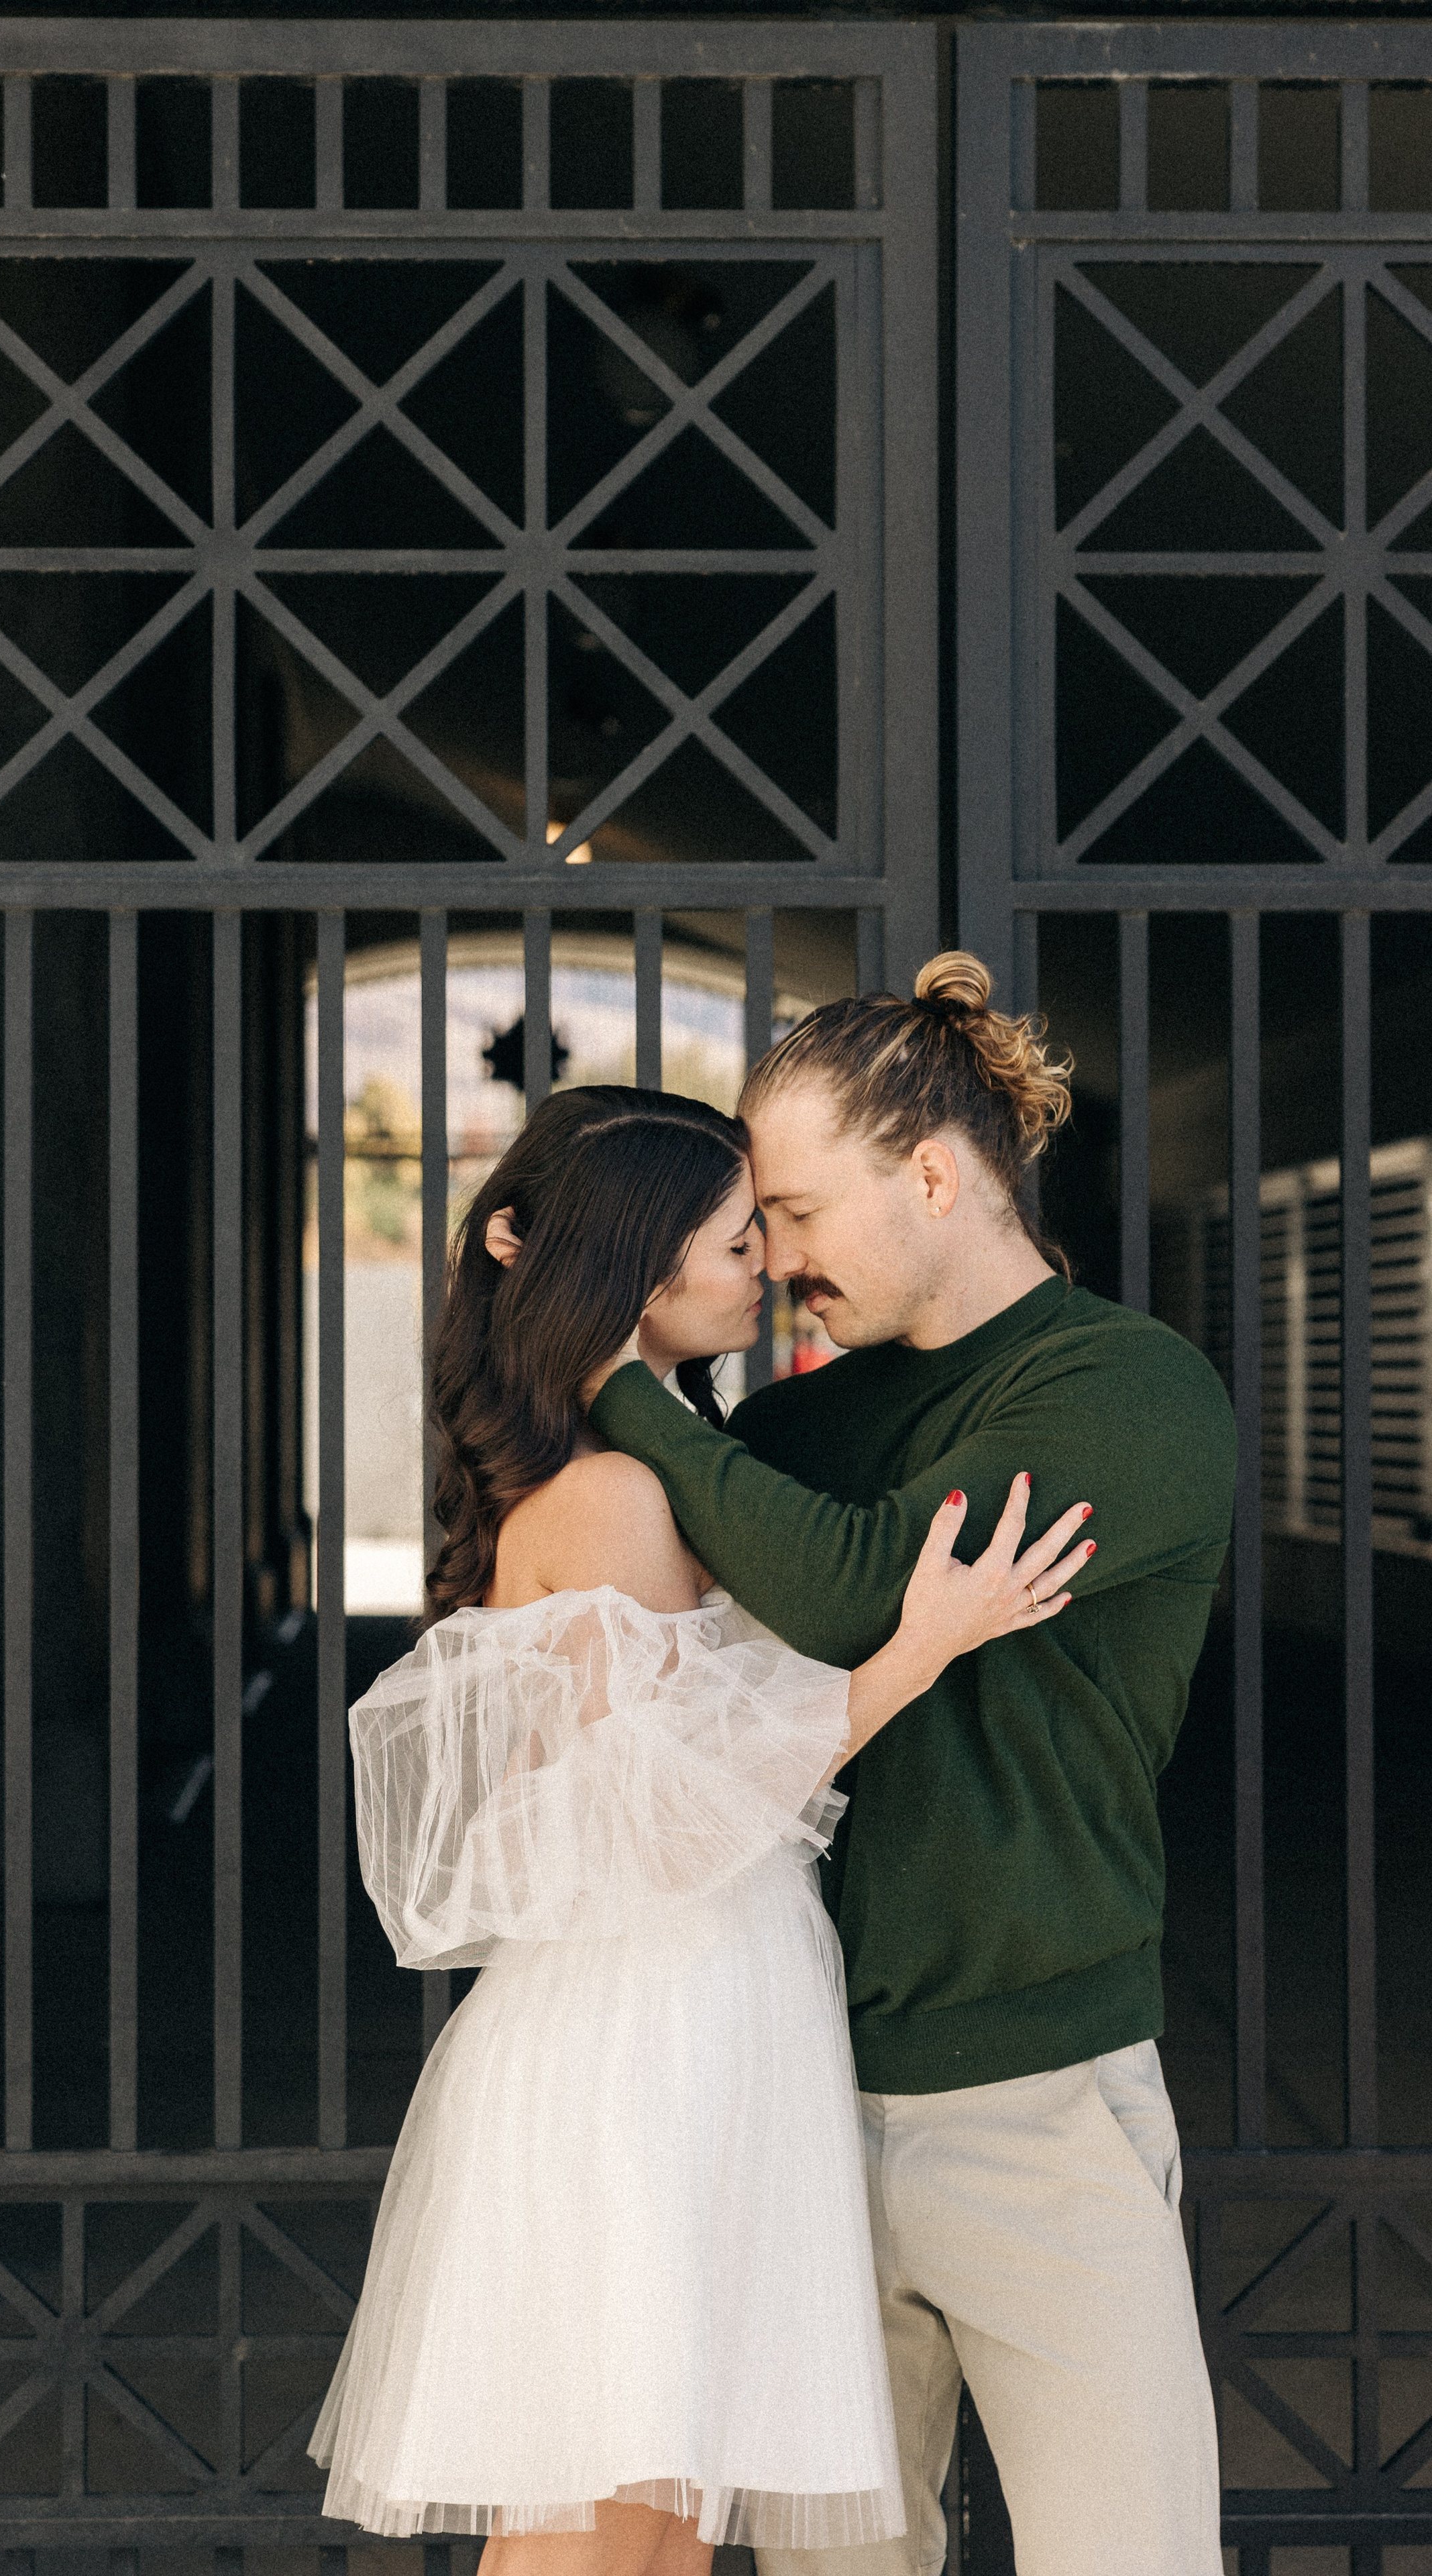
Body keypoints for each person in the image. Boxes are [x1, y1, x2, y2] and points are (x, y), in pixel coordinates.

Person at [311, 1087, 1095, 2576]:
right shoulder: (607, 1494)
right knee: (603, 2527)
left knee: (661, 2527)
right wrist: (917, 1646)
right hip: (640, 2047)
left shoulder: (642, 1467)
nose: (769, 1268)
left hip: (700, 2020)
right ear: (635, 1269)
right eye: (738, 1240)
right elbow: (661, 1817)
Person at [584, 955, 1237, 2576]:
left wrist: (609, 1380)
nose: (773, 1259)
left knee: (1125, 2556)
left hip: (1035, 2100)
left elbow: (853, 1586)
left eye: (794, 1212)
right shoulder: (801, 1434)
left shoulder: (1125, 1389)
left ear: (934, 1175)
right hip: (798, 2088)